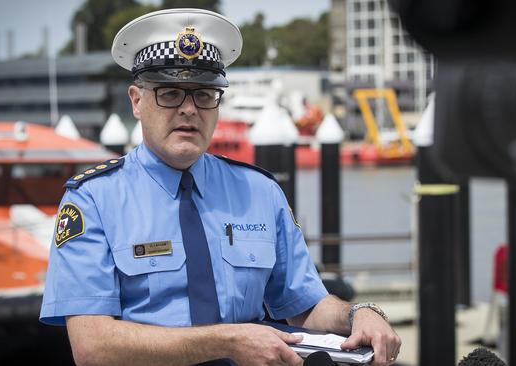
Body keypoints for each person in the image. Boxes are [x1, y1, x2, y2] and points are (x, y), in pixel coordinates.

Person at [40, 8, 401, 366]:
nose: (188, 110)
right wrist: (227, 341)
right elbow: (92, 345)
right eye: (170, 93)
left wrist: (359, 314)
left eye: (203, 94)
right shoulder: (92, 200)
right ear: (137, 101)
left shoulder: (259, 192)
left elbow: (303, 304)